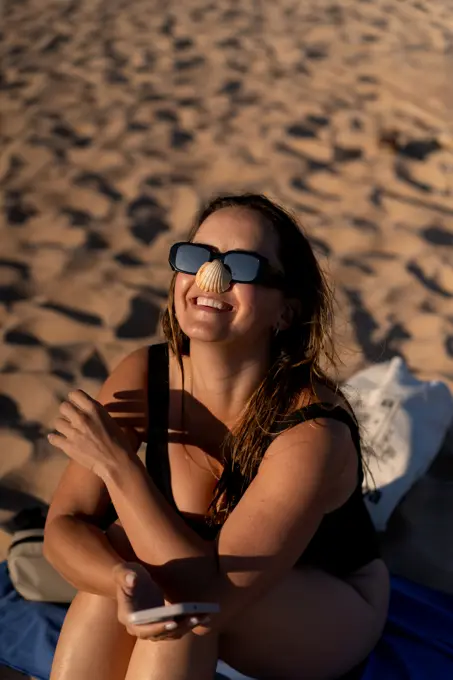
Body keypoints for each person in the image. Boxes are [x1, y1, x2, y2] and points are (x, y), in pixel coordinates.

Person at [43, 194, 389, 680]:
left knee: (182, 613)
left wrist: (119, 466)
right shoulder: (144, 373)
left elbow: (209, 594)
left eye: (241, 266)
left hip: (321, 599)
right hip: (194, 576)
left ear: (285, 313)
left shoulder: (312, 431)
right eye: (197, 256)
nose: (212, 277)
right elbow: (64, 524)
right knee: (125, 574)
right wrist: (121, 579)